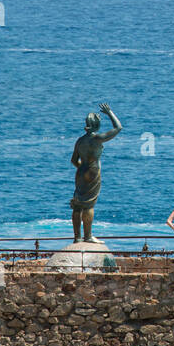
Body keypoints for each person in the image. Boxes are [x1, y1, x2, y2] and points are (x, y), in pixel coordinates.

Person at [70, 103, 122, 242]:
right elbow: (118, 127)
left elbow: (74, 160)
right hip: (92, 172)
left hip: (80, 172)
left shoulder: (80, 141)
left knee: (77, 203)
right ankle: (87, 236)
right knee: (88, 204)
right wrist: (110, 112)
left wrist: (83, 168)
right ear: (97, 125)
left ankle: (77, 237)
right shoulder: (97, 139)